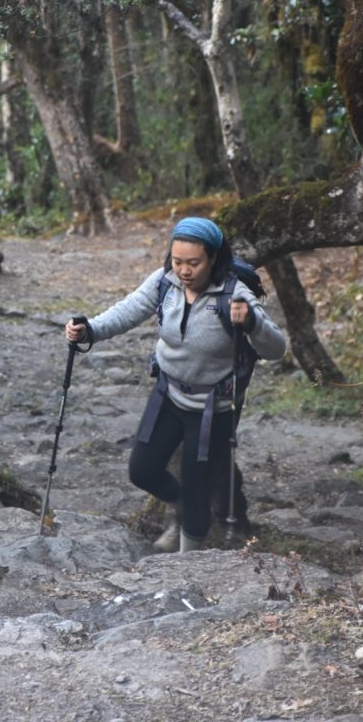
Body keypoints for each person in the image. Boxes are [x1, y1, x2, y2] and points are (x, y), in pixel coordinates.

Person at [65, 217, 286, 553]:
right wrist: (89, 330)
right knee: (142, 470)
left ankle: (188, 562)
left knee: (197, 485)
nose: (184, 270)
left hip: (213, 408)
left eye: (193, 263)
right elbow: (129, 310)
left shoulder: (234, 296)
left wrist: (253, 323)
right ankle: (186, 512)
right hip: (168, 393)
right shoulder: (165, 282)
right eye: (178, 260)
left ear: (213, 258)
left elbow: (276, 348)